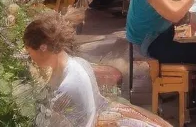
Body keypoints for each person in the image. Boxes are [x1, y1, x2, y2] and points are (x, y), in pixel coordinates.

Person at [24, 12, 171, 127]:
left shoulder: (67, 87)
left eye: (30, 52)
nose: (30, 58)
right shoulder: (78, 62)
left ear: (43, 48)